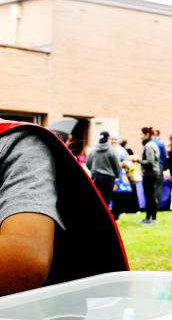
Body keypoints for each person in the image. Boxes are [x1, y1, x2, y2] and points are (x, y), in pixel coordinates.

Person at [0, 119, 127, 295]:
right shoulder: (113, 152)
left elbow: (26, 261)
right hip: (107, 177)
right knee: (106, 200)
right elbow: (116, 167)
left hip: (98, 174)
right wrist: (113, 173)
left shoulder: (16, 142)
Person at [86, 131, 122, 209]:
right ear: (108, 138)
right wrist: (117, 175)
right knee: (106, 200)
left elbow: (88, 163)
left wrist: (93, 170)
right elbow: (116, 165)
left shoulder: (93, 150)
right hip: (108, 178)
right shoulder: (112, 150)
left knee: (96, 199)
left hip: (95, 176)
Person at [139, 128, 162, 225]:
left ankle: (152, 219)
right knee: (150, 196)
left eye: (141, 134)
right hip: (153, 173)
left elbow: (150, 161)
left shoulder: (148, 146)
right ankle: (149, 218)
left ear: (147, 134)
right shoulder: (152, 144)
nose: (140, 136)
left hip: (150, 174)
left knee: (150, 196)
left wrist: (137, 160)